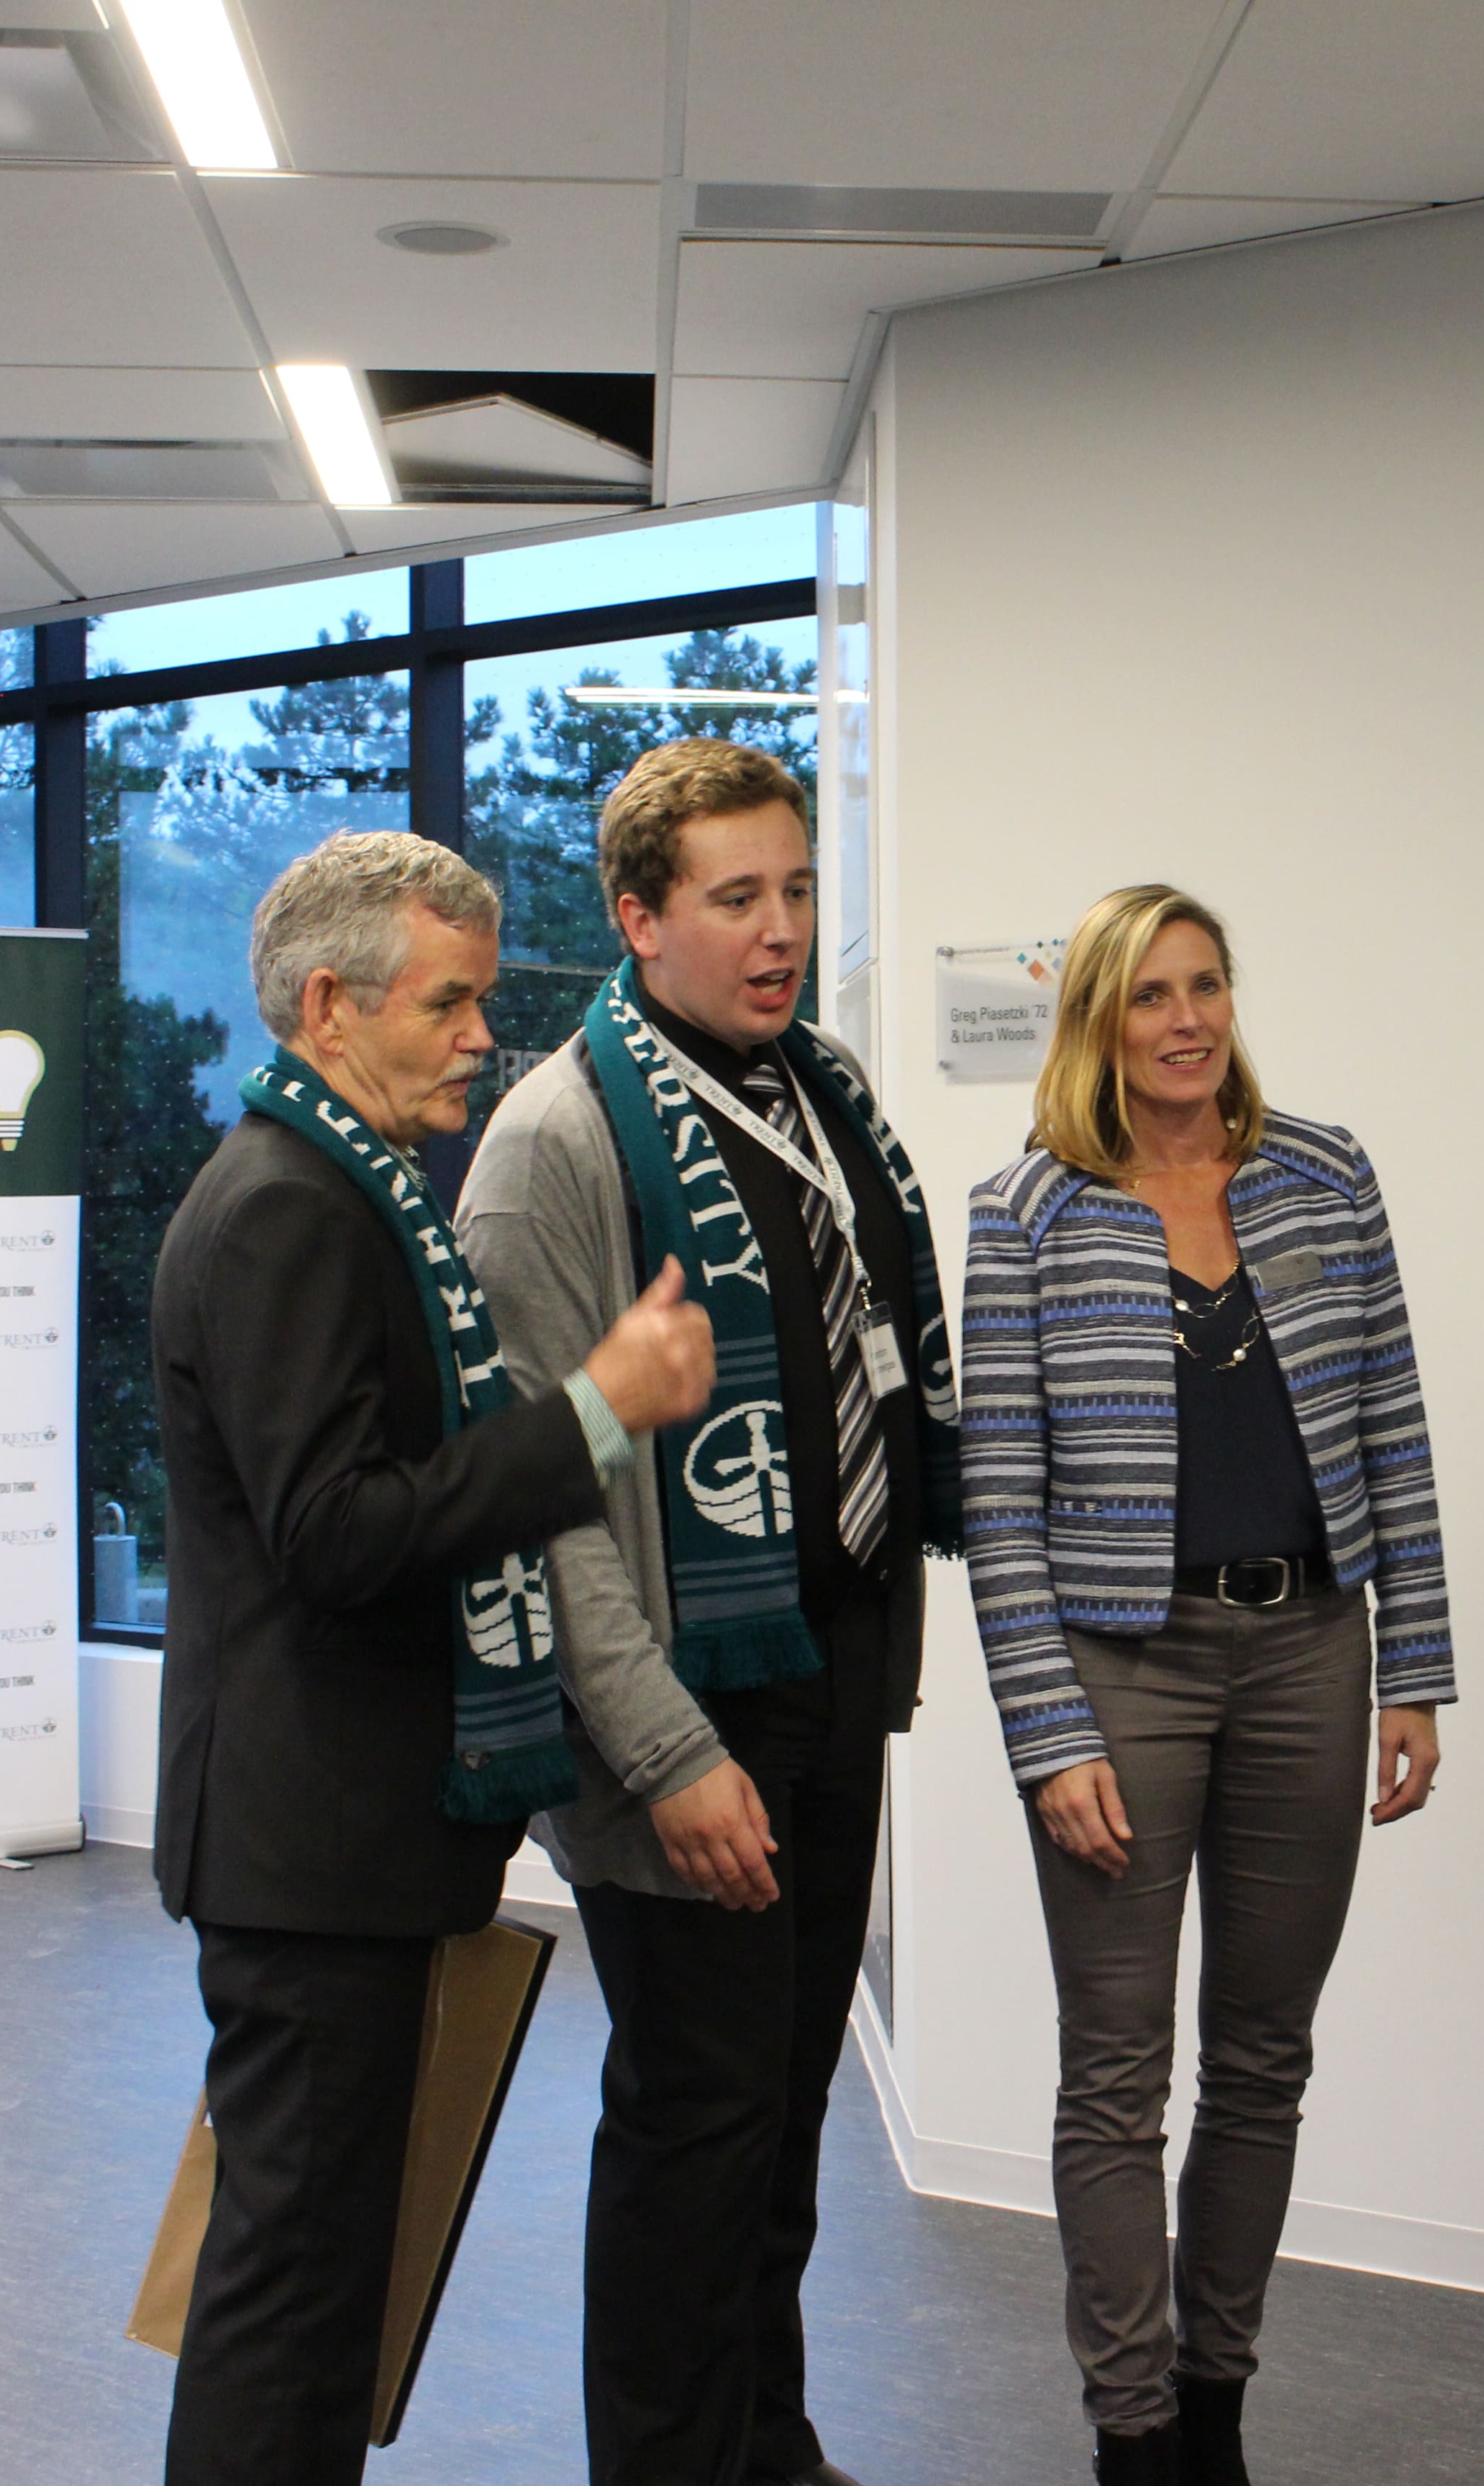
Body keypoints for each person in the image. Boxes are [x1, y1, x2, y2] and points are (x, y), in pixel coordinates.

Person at [152, 829, 713, 2486]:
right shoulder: (284, 1213)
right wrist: (595, 1413)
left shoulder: (342, 1190)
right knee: (288, 2296)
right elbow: (334, 1535)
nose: (484, 1036)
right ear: (331, 1005)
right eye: (451, 1003)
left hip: (345, 1845)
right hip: (307, 1850)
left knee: (322, 2289)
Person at [458, 739, 961, 2486]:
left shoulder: (822, 1096)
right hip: (677, 1726)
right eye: (735, 898)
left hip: (832, 1689)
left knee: (781, 2119)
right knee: (694, 2125)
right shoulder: (555, 1142)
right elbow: (538, 1511)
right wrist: (668, 1753)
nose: (779, 933)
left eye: (799, 889)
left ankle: (771, 2444)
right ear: (638, 917)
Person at [959, 884, 1455, 2486]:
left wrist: (1415, 1671)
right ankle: (1134, 2427)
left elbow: (1394, 1426)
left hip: (1313, 1650)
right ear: (1097, 1018)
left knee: (1264, 2056)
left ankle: (1218, 2399)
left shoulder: (1325, 1175)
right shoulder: (1027, 1210)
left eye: (1209, 987)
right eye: (1151, 995)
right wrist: (1046, 1734)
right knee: (1116, 2070)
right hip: (1123, 1673)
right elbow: (1001, 1507)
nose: (1186, 1022)